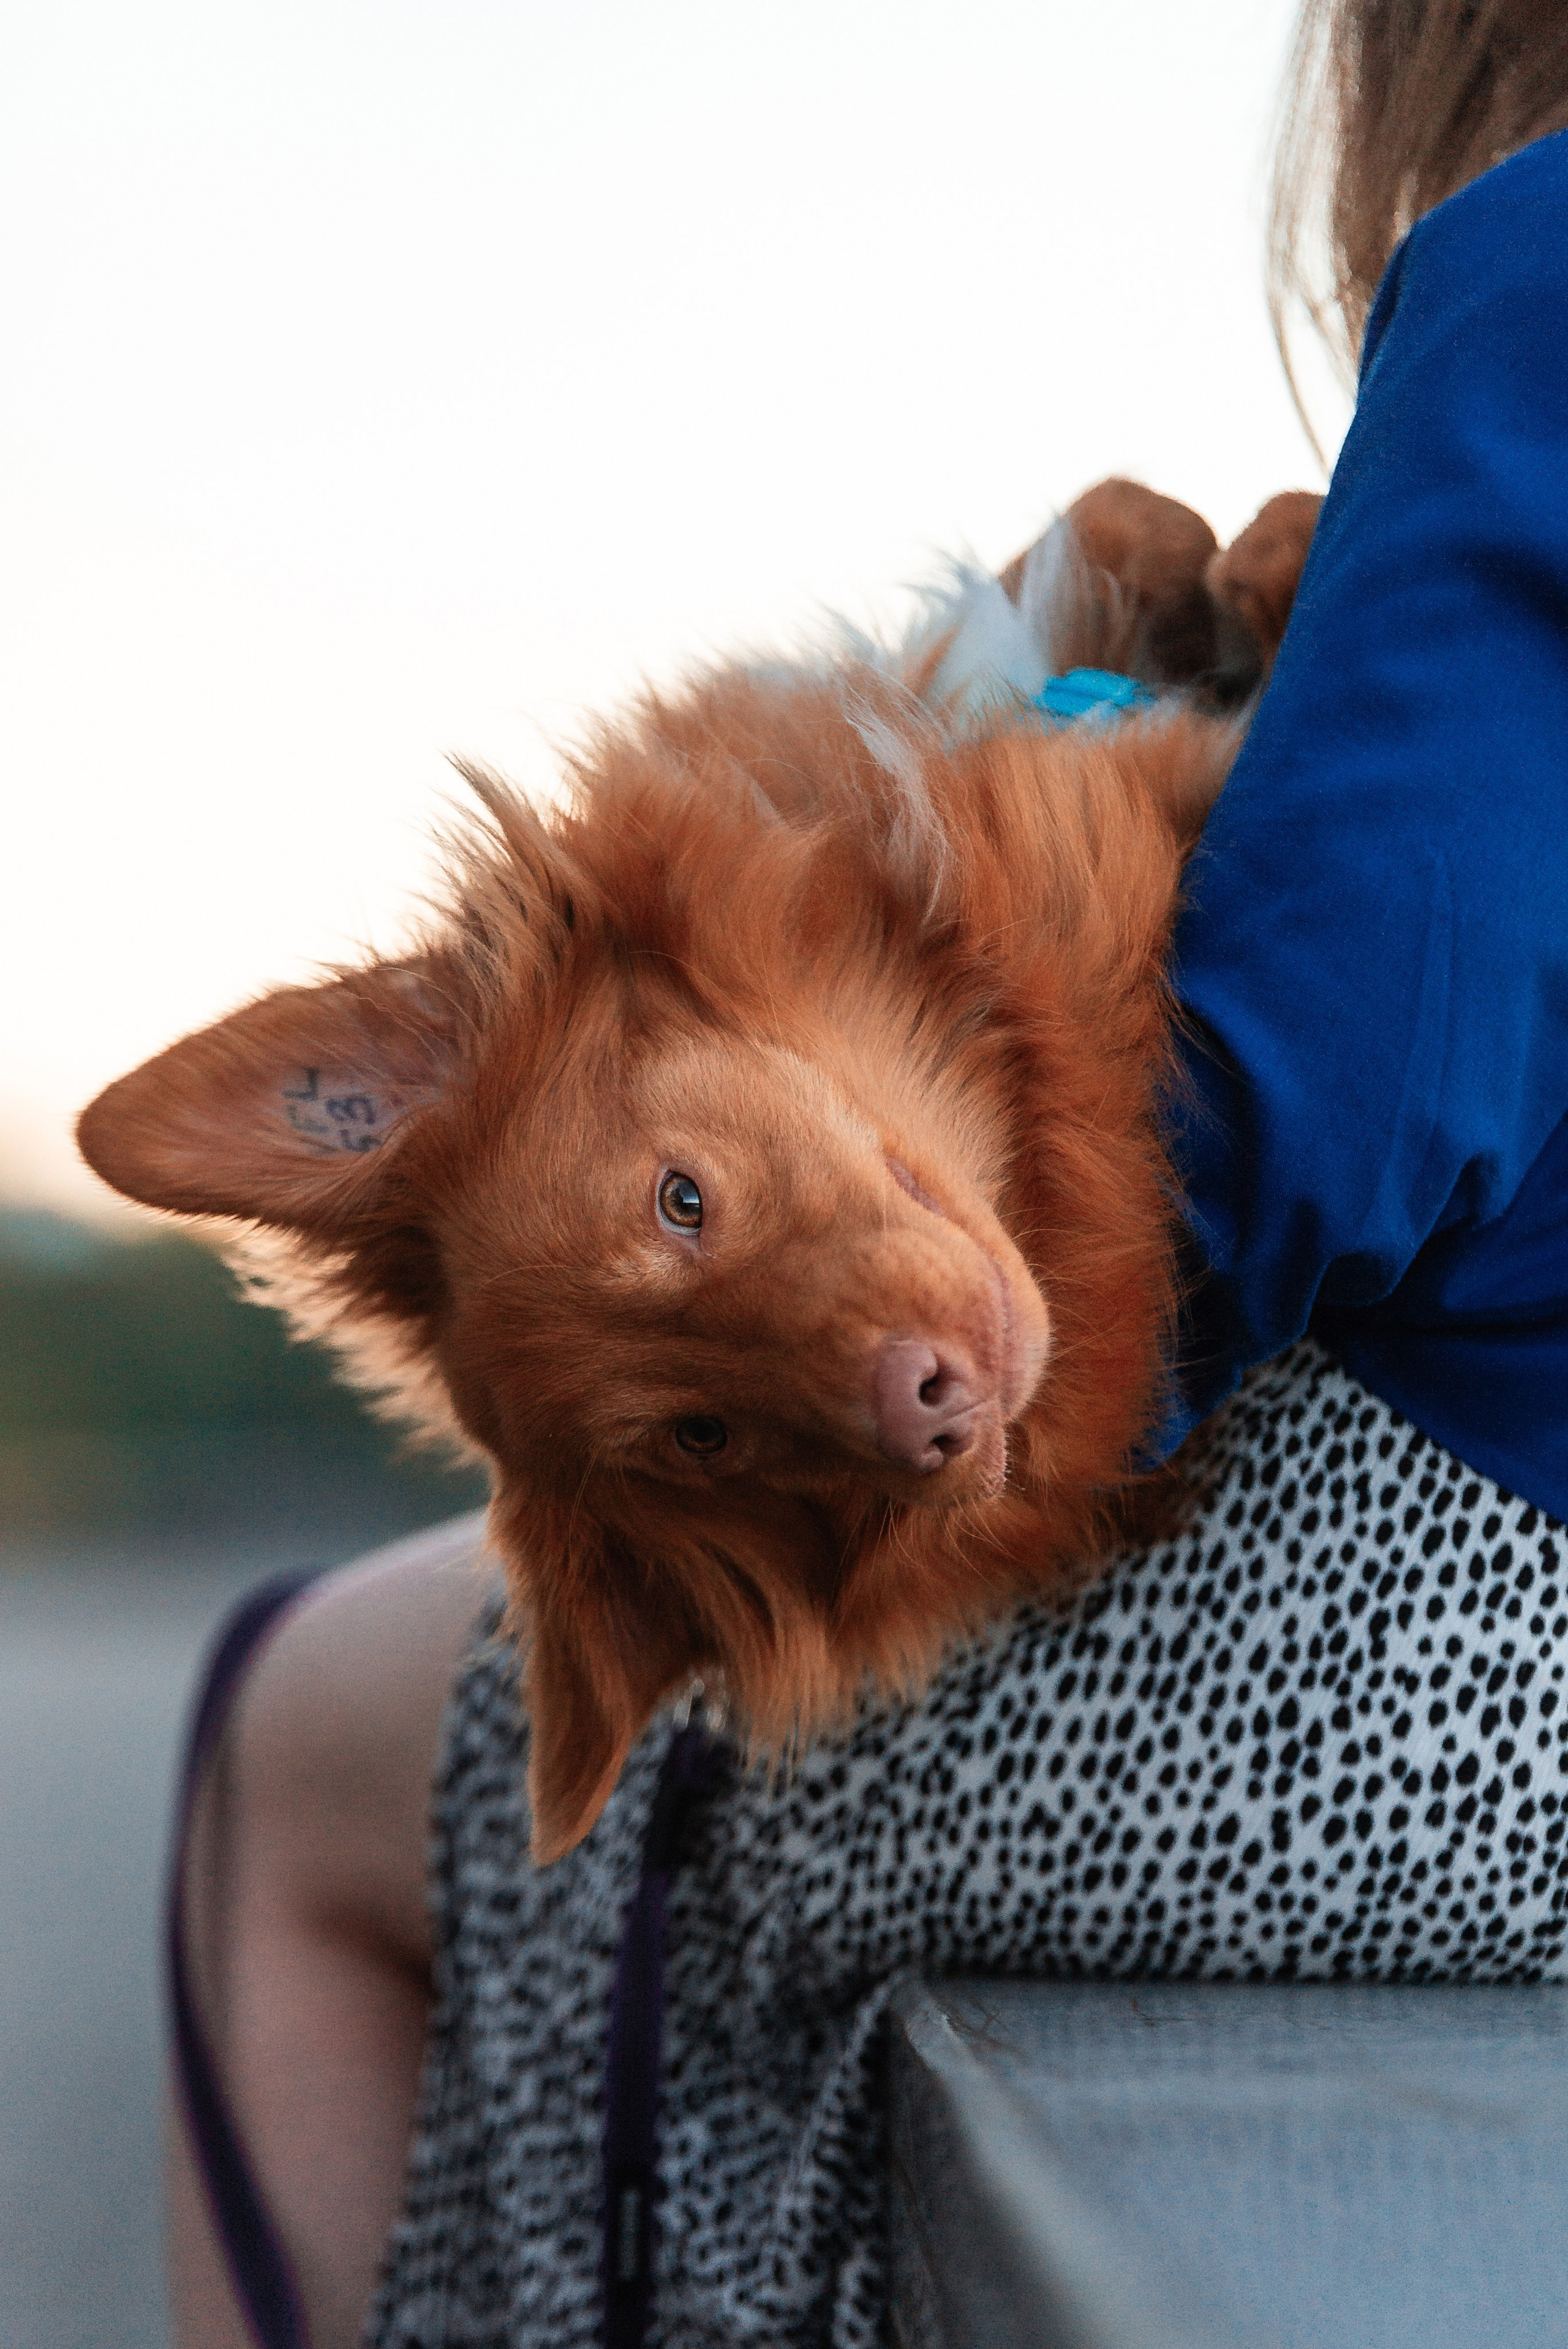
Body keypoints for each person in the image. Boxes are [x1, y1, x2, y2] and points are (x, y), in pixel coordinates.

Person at [169, 4, 1568, 2340]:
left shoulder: (1541, 258)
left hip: (1480, 1653)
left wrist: (1022, 888)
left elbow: (1336, 1085)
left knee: (292, 1742)